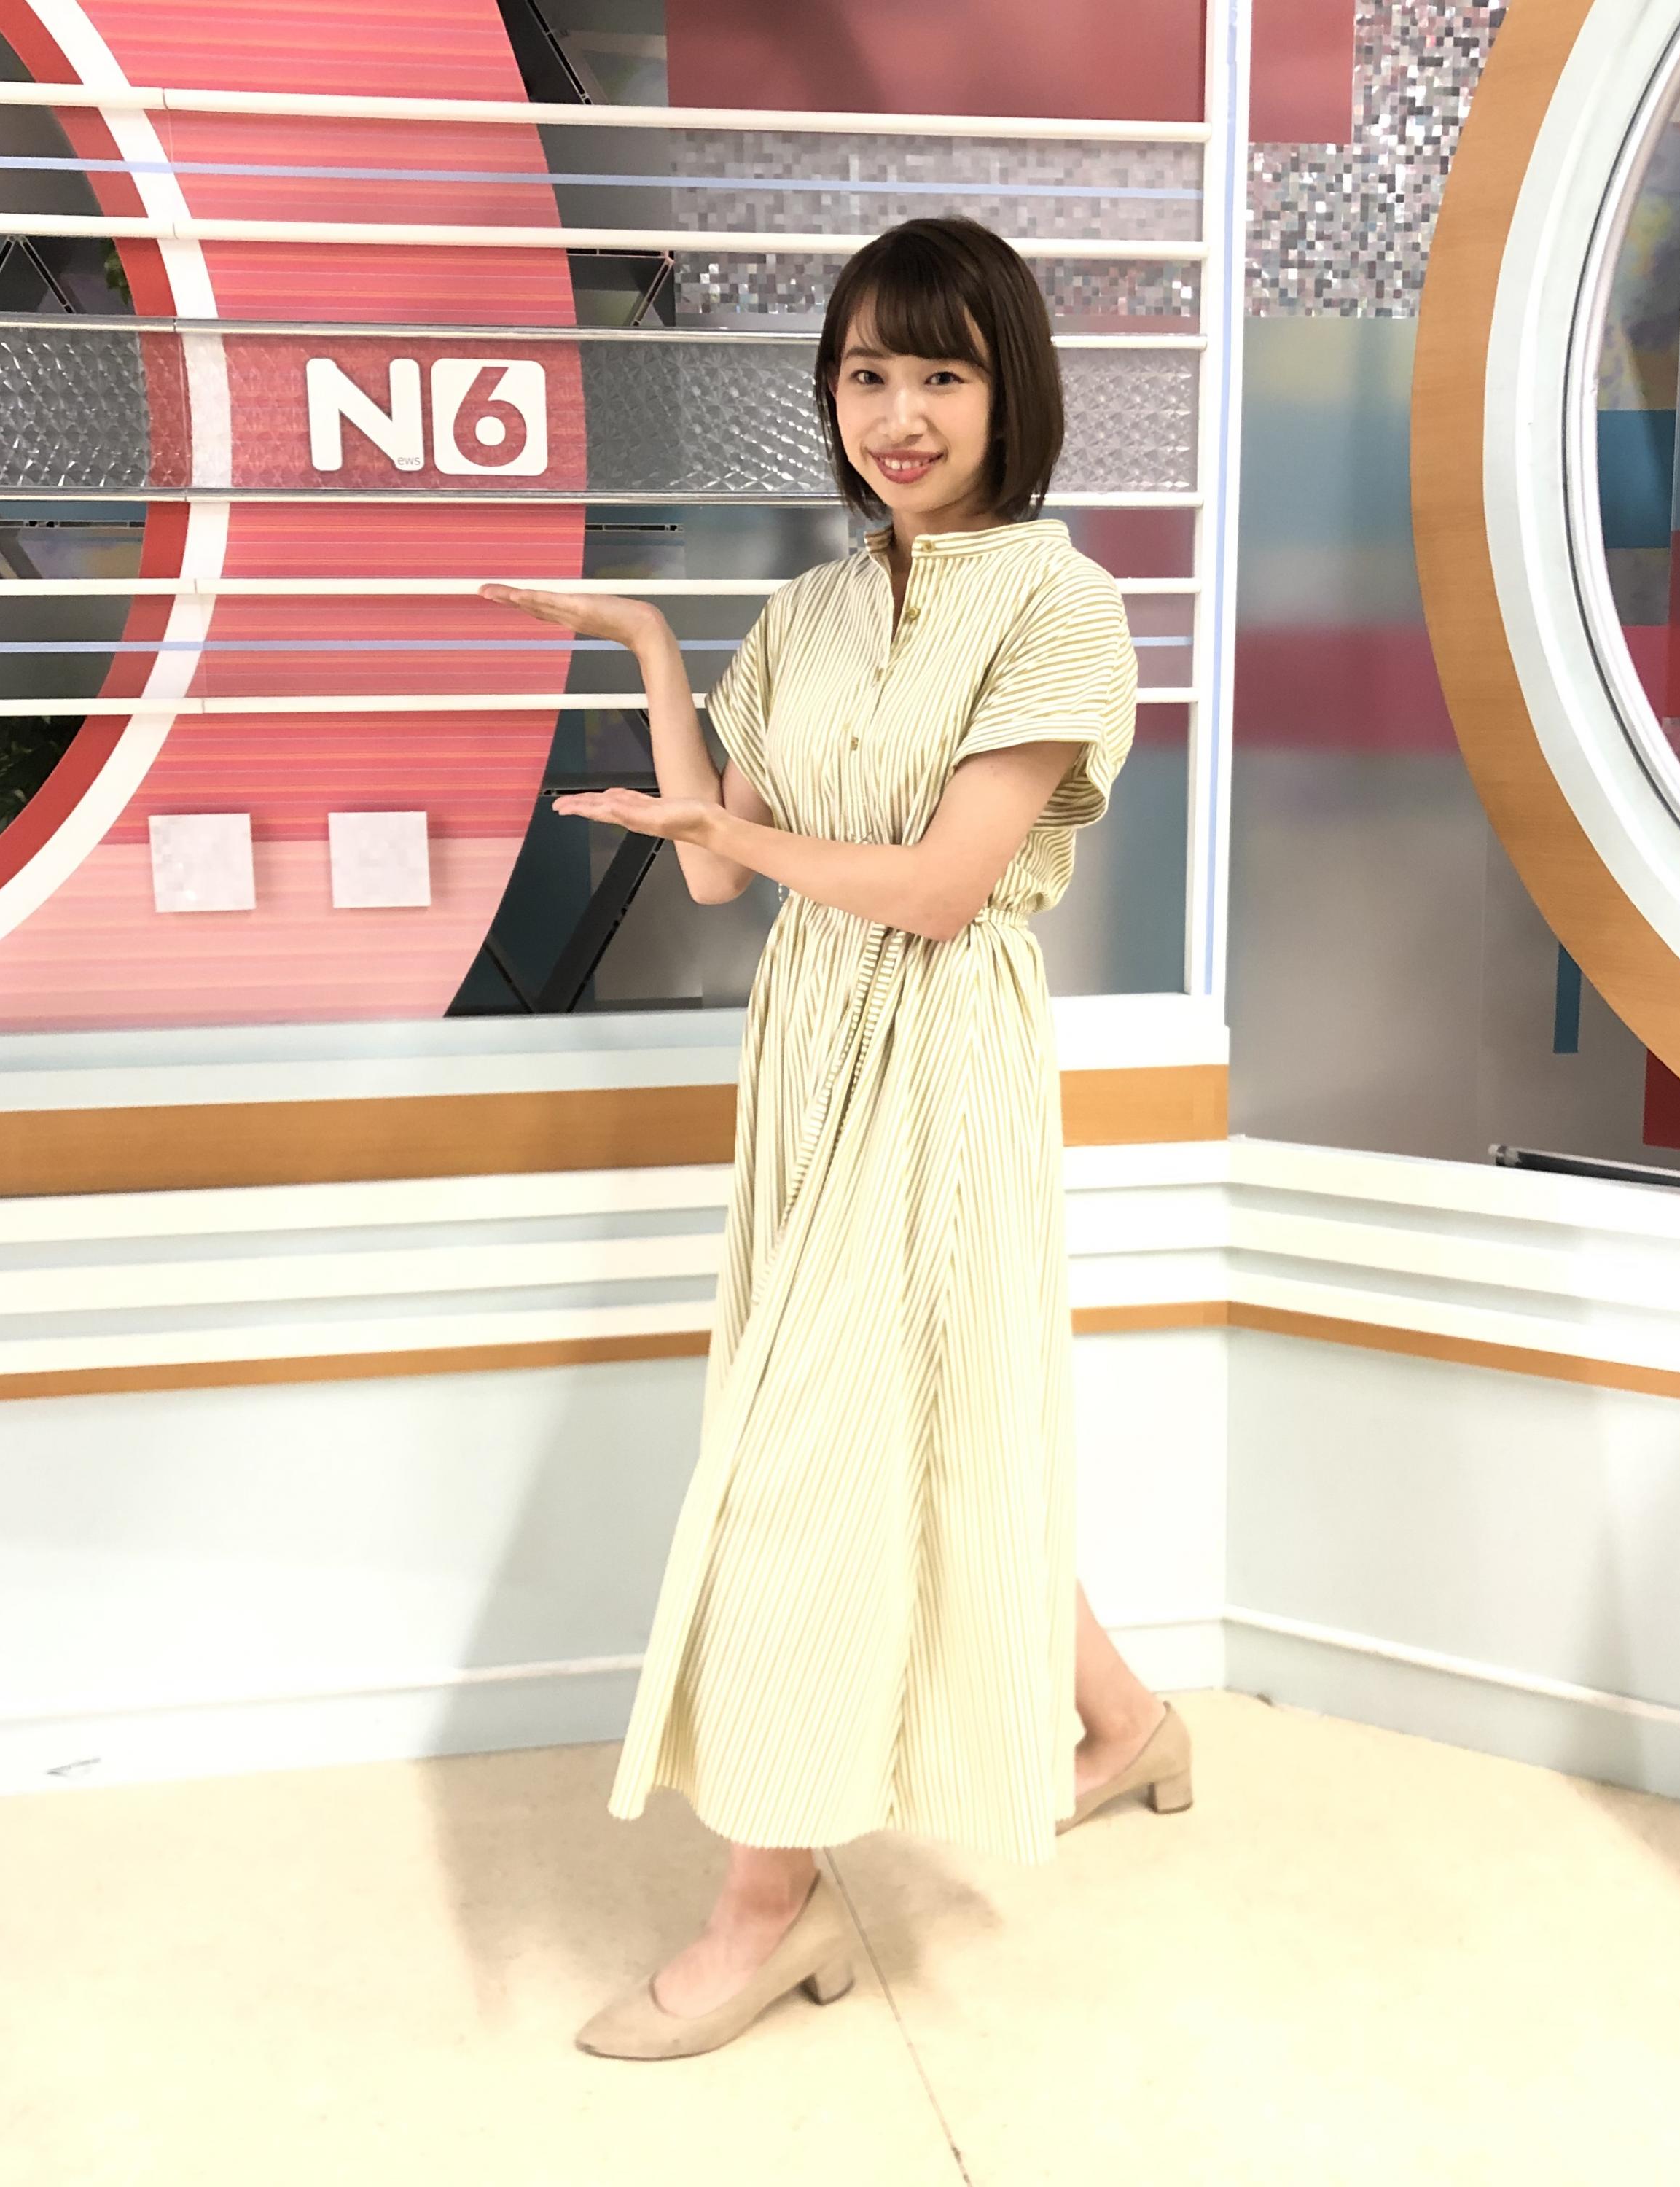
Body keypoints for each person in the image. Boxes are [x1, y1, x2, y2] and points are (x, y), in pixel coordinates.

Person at [482, 214, 1192, 2064]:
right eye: (867, 372)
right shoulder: (800, 614)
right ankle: (1127, 1723)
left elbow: (944, 890)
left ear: (1008, 390)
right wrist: (653, 647)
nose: (898, 412)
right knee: (908, 1426)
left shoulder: (1056, 603)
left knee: (806, 1463)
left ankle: (765, 1901)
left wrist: (729, 832)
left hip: (942, 1050)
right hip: (805, 1048)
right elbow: (719, 870)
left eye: (939, 371)